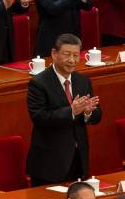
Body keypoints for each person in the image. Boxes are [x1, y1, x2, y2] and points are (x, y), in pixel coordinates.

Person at [26, 33, 101, 186]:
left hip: (78, 159)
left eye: (75, 55)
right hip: (49, 164)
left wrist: (88, 112)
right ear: (54, 54)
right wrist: (71, 111)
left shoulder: (83, 81)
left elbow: (97, 115)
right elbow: (40, 117)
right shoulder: (38, 83)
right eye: (67, 54)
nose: (71, 60)